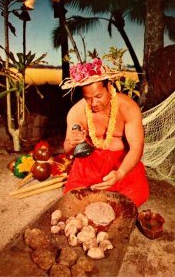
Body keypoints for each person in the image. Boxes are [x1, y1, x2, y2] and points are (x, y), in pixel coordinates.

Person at [60, 58, 149, 207]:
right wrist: (72, 142)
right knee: (75, 199)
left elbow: (137, 147)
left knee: (135, 197)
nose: (94, 103)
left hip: (121, 162)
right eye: (88, 98)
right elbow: (67, 149)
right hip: (90, 164)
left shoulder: (127, 107)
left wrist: (120, 173)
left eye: (98, 96)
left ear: (109, 86)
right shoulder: (76, 112)